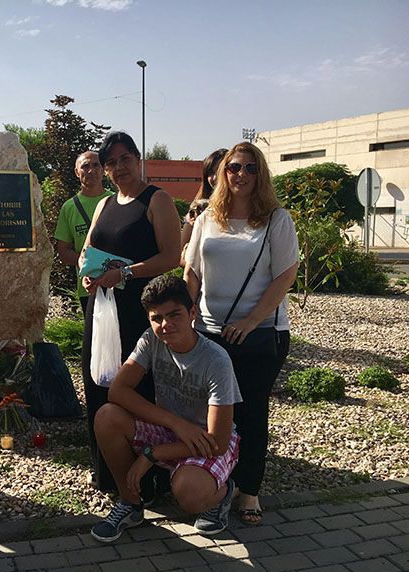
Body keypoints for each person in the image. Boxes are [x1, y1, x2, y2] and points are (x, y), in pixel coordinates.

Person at [184, 142, 298, 525]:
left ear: (260, 175)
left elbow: (285, 275)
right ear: (222, 172)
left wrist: (250, 321)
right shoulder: (206, 219)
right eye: (234, 167)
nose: (241, 175)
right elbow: (192, 272)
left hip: (260, 333)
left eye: (251, 169)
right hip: (210, 332)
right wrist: (187, 315)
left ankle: (249, 490)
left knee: (250, 413)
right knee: (213, 416)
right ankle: (218, 482)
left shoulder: (275, 219)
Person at [90, 275, 241, 542]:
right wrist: (175, 423)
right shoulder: (151, 340)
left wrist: (151, 454)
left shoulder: (216, 360)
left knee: (190, 494)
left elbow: (218, 441)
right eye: (156, 318)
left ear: (192, 313)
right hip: (173, 430)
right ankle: (130, 504)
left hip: (206, 439)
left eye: (174, 315)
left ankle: (223, 492)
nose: (165, 325)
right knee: (106, 417)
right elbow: (117, 390)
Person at [79, 131, 181, 494]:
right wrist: (88, 275)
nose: (119, 167)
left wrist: (124, 273)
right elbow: (88, 249)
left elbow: (172, 257)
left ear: (138, 159)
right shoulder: (105, 204)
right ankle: (109, 473)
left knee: (137, 389)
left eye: (125, 159)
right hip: (102, 308)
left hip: (139, 311)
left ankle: (148, 476)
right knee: (97, 382)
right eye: (111, 163)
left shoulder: (157, 200)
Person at [53, 150, 112, 314]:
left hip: (118, 283)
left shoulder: (117, 201)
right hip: (88, 287)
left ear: (104, 170)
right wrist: (89, 264)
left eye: (96, 165)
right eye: (85, 166)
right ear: (77, 172)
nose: (91, 170)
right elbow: (63, 251)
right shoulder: (69, 208)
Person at [180, 148, 227, 267]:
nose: (215, 178)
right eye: (210, 173)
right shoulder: (196, 210)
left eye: (220, 171)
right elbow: (179, 255)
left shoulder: (246, 211)